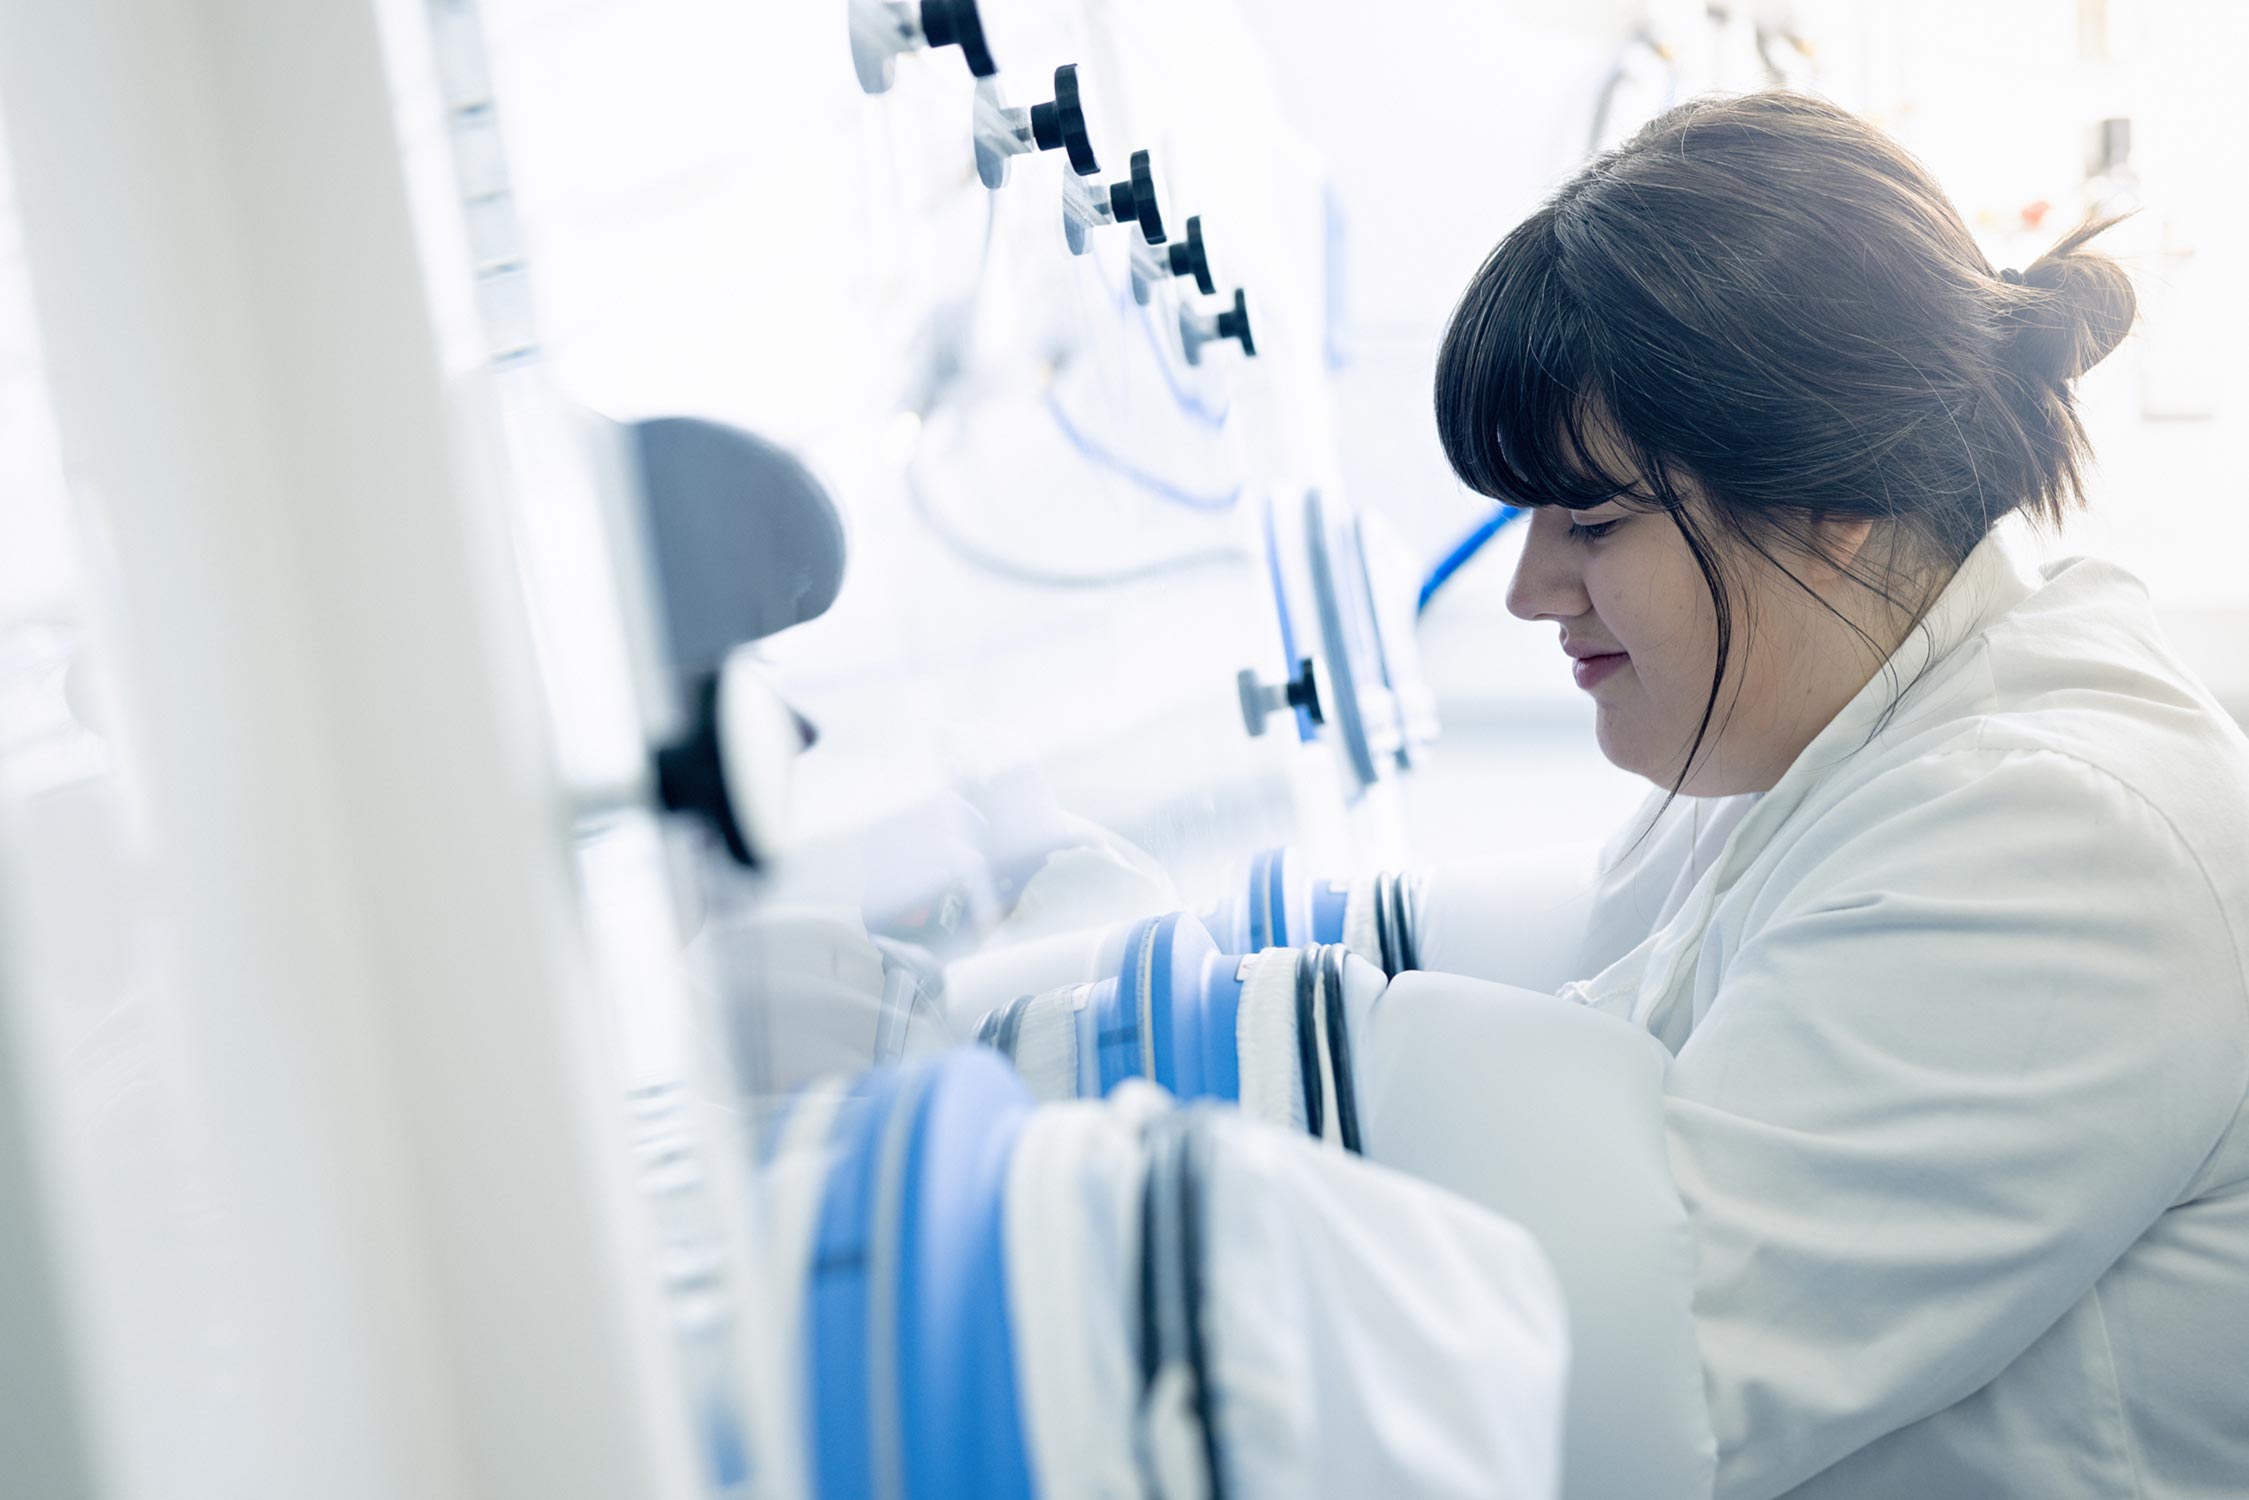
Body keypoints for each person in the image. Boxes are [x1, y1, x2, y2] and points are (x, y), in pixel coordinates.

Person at [1433, 92, 2249, 1498]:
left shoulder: (2051, 846)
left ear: (1830, 488)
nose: (1527, 590)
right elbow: (1560, 975)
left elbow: (1615, 1397)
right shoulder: (1812, 725)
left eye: (1593, 518)